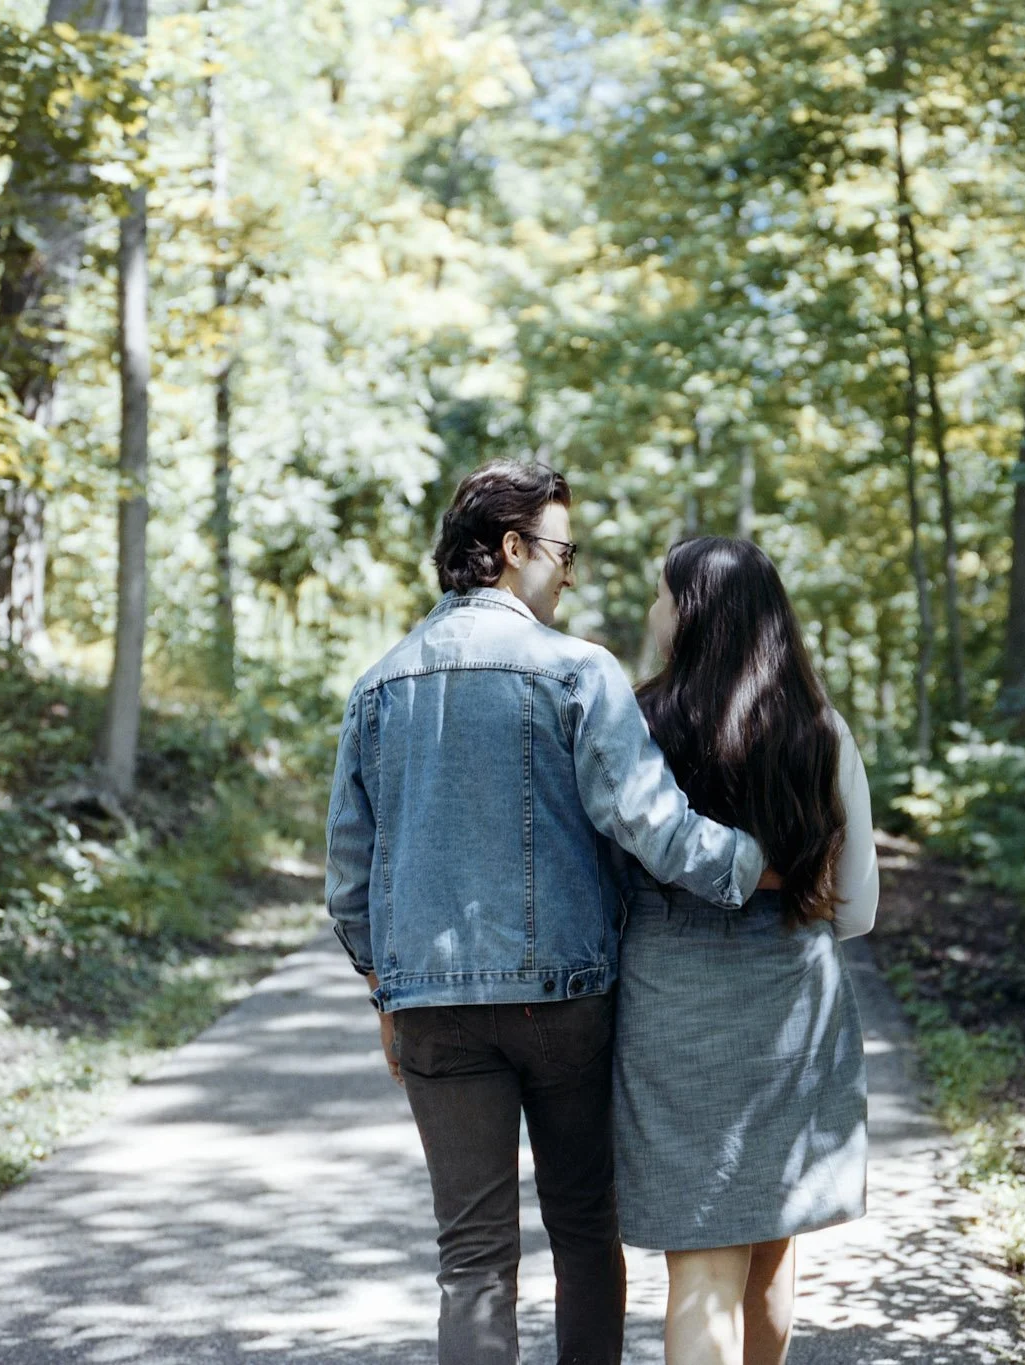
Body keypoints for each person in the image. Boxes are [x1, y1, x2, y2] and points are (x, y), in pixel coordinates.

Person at [324, 463, 768, 1365]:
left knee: (473, 1259)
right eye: (563, 551)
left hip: (430, 1011)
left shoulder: (378, 684)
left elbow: (348, 873)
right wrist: (767, 864)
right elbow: (654, 826)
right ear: (513, 549)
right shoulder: (576, 671)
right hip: (564, 1001)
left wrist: (384, 987)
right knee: (581, 1228)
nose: (571, 573)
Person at [612, 536, 880, 1365]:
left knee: (701, 1273)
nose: (653, 613)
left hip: (673, 1012)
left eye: (660, 596)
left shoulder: (638, 728)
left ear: (688, 615)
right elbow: (859, 908)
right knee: (772, 1252)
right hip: (793, 1017)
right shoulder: (820, 732)